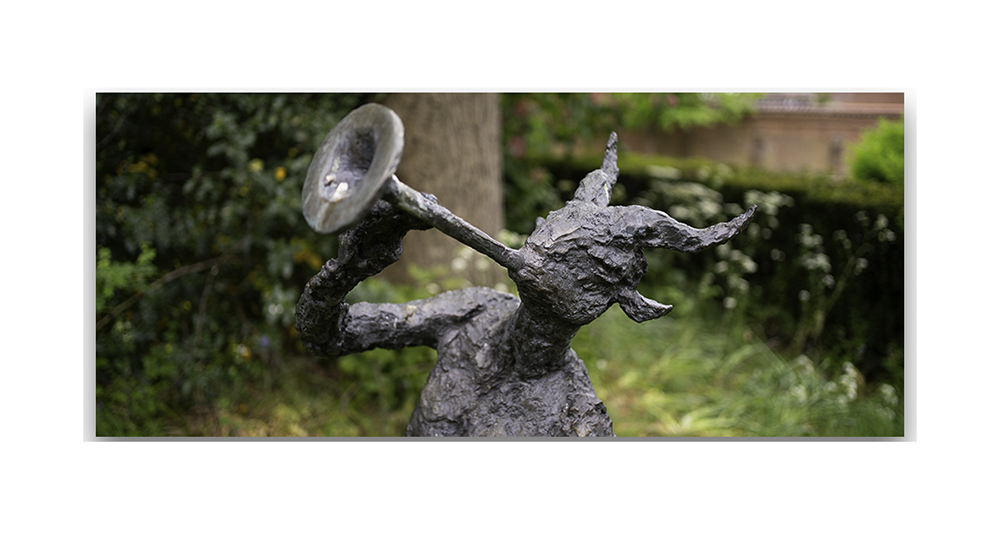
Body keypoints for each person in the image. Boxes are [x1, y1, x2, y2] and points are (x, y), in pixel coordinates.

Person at [296, 133, 756, 436]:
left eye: (576, 266)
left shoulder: (577, 422)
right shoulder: (473, 311)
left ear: (598, 302)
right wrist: (350, 268)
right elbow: (328, 336)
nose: (541, 249)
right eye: (545, 235)